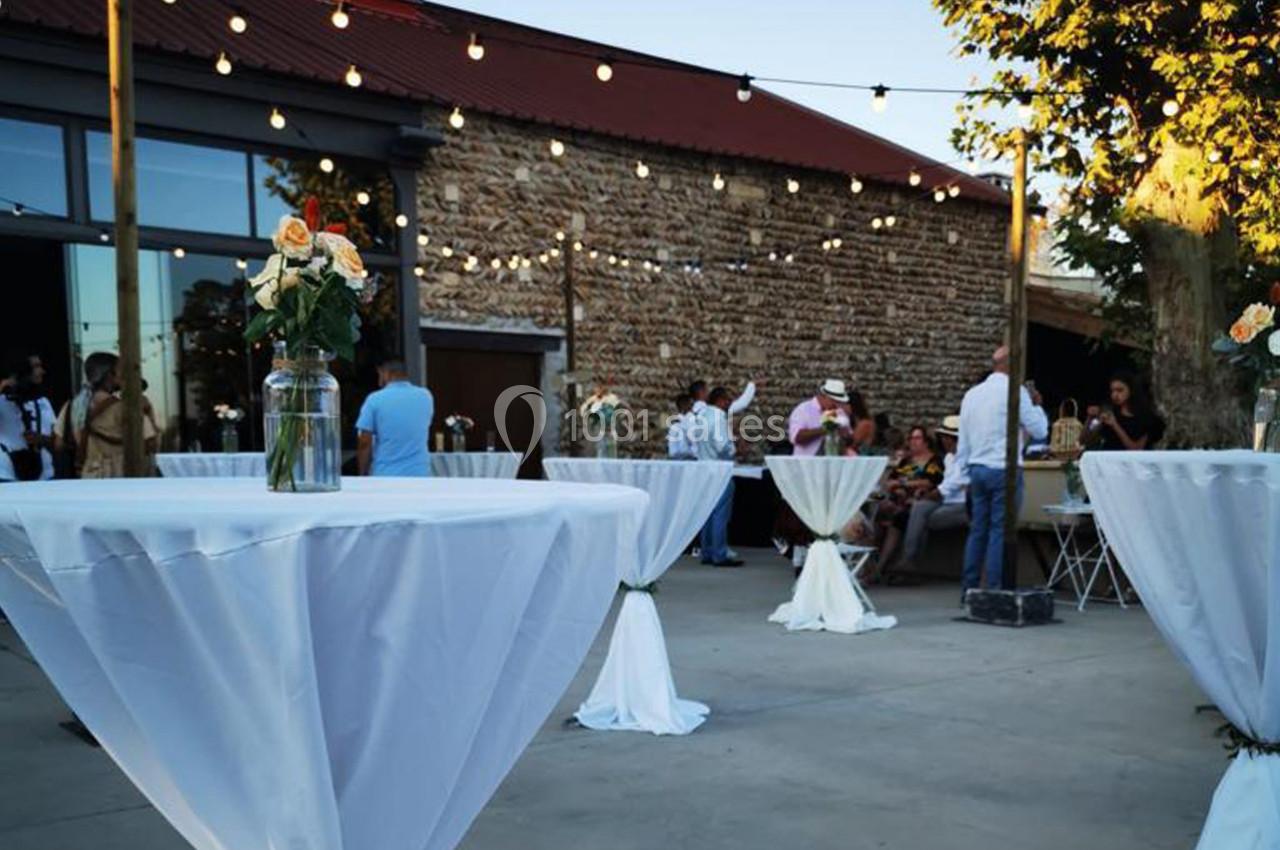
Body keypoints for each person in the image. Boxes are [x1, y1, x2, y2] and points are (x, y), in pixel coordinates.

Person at [955, 346, 1049, 594]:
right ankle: (994, 589)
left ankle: (969, 588)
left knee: (978, 530)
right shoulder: (1016, 392)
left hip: (977, 468)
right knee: (999, 530)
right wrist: (1037, 406)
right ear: (1012, 365)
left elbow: (963, 440)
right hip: (1003, 469)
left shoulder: (972, 395)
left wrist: (962, 474)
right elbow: (1039, 430)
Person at [895, 415, 969, 576]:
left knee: (921, 519)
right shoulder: (949, 457)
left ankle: (910, 562)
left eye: (947, 438)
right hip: (945, 500)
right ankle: (908, 561)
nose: (944, 441)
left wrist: (933, 493)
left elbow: (954, 483)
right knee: (919, 508)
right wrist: (926, 494)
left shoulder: (967, 458)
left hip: (962, 504)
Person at [871, 425, 946, 580]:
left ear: (926, 442)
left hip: (920, 502)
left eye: (917, 438)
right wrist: (899, 489)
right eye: (911, 438)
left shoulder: (934, 461)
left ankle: (880, 567)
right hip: (899, 500)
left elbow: (929, 482)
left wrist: (902, 484)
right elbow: (890, 481)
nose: (913, 441)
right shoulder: (907, 461)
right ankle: (869, 563)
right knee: (878, 514)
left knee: (897, 518)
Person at [78, 353, 159, 479]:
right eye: (120, 370)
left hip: (89, 476)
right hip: (121, 475)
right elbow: (151, 443)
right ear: (109, 375)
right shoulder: (127, 409)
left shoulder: (72, 407)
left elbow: (59, 443)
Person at [356, 359, 434, 476]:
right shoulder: (426, 396)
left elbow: (365, 442)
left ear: (386, 373)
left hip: (386, 473)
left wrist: (362, 474)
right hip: (419, 473)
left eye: (380, 374)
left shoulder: (374, 399)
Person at [695, 386, 742, 567]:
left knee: (706, 512)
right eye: (728, 400)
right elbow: (722, 446)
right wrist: (735, 449)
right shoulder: (719, 417)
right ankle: (719, 553)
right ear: (720, 400)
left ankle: (707, 551)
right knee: (720, 513)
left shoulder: (702, 416)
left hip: (703, 468)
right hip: (720, 469)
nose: (729, 403)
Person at [0, 353, 56, 482]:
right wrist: (3, 386)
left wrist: (41, 439)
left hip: (43, 473)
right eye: (36, 367)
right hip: (7, 472)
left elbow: (58, 442)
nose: (42, 371)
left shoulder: (43, 402)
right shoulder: (2, 403)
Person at [1085, 371, 1164, 451]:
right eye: (1112, 391)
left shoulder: (1146, 418)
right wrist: (1090, 418)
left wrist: (1115, 425)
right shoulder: (1108, 411)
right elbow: (1086, 439)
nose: (1115, 395)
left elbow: (1136, 449)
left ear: (1131, 390)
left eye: (1120, 390)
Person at [787, 379, 853, 456]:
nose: (836, 405)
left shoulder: (839, 412)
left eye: (839, 402)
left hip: (833, 461)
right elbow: (796, 438)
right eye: (834, 401)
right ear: (823, 396)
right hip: (807, 461)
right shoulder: (803, 410)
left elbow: (850, 440)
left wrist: (845, 435)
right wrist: (827, 429)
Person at [689, 377, 758, 417]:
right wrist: (752, 384)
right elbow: (742, 403)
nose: (709, 393)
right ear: (702, 392)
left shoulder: (689, 414)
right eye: (707, 390)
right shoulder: (712, 410)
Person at [666, 393, 697, 460]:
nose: (693, 408)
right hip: (690, 459)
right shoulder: (692, 422)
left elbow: (671, 450)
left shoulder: (674, 425)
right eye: (692, 405)